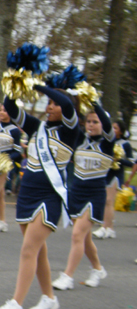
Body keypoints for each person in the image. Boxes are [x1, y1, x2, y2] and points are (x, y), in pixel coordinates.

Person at [0, 85, 79, 309]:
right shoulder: (37, 127)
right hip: (27, 193)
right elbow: (9, 107)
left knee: (29, 249)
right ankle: (49, 298)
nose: (50, 106)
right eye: (48, 103)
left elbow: (69, 105)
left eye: (54, 103)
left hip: (50, 196)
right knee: (38, 252)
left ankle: (16, 304)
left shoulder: (71, 129)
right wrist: (17, 85)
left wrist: (42, 86)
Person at [52, 104, 112, 291]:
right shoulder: (80, 139)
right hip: (76, 193)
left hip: (94, 195)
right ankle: (97, 269)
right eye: (89, 121)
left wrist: (94, 102)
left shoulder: (108, 142)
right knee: (84, 239)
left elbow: (108, 124)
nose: (91, 125)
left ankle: (67, 276)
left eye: (96, 122)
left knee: (77, 235)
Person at [94, 120, 132, 239]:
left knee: (109, 201)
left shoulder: (125, 144)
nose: (113, 130)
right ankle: (110, 228)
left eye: (115, 128)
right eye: (112, 128)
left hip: (116, 175)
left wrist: (117, 159)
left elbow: (131, 162)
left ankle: (104, 227)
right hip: (104, 173)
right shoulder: (105, 142)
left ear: (120, 130)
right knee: (105, 201)